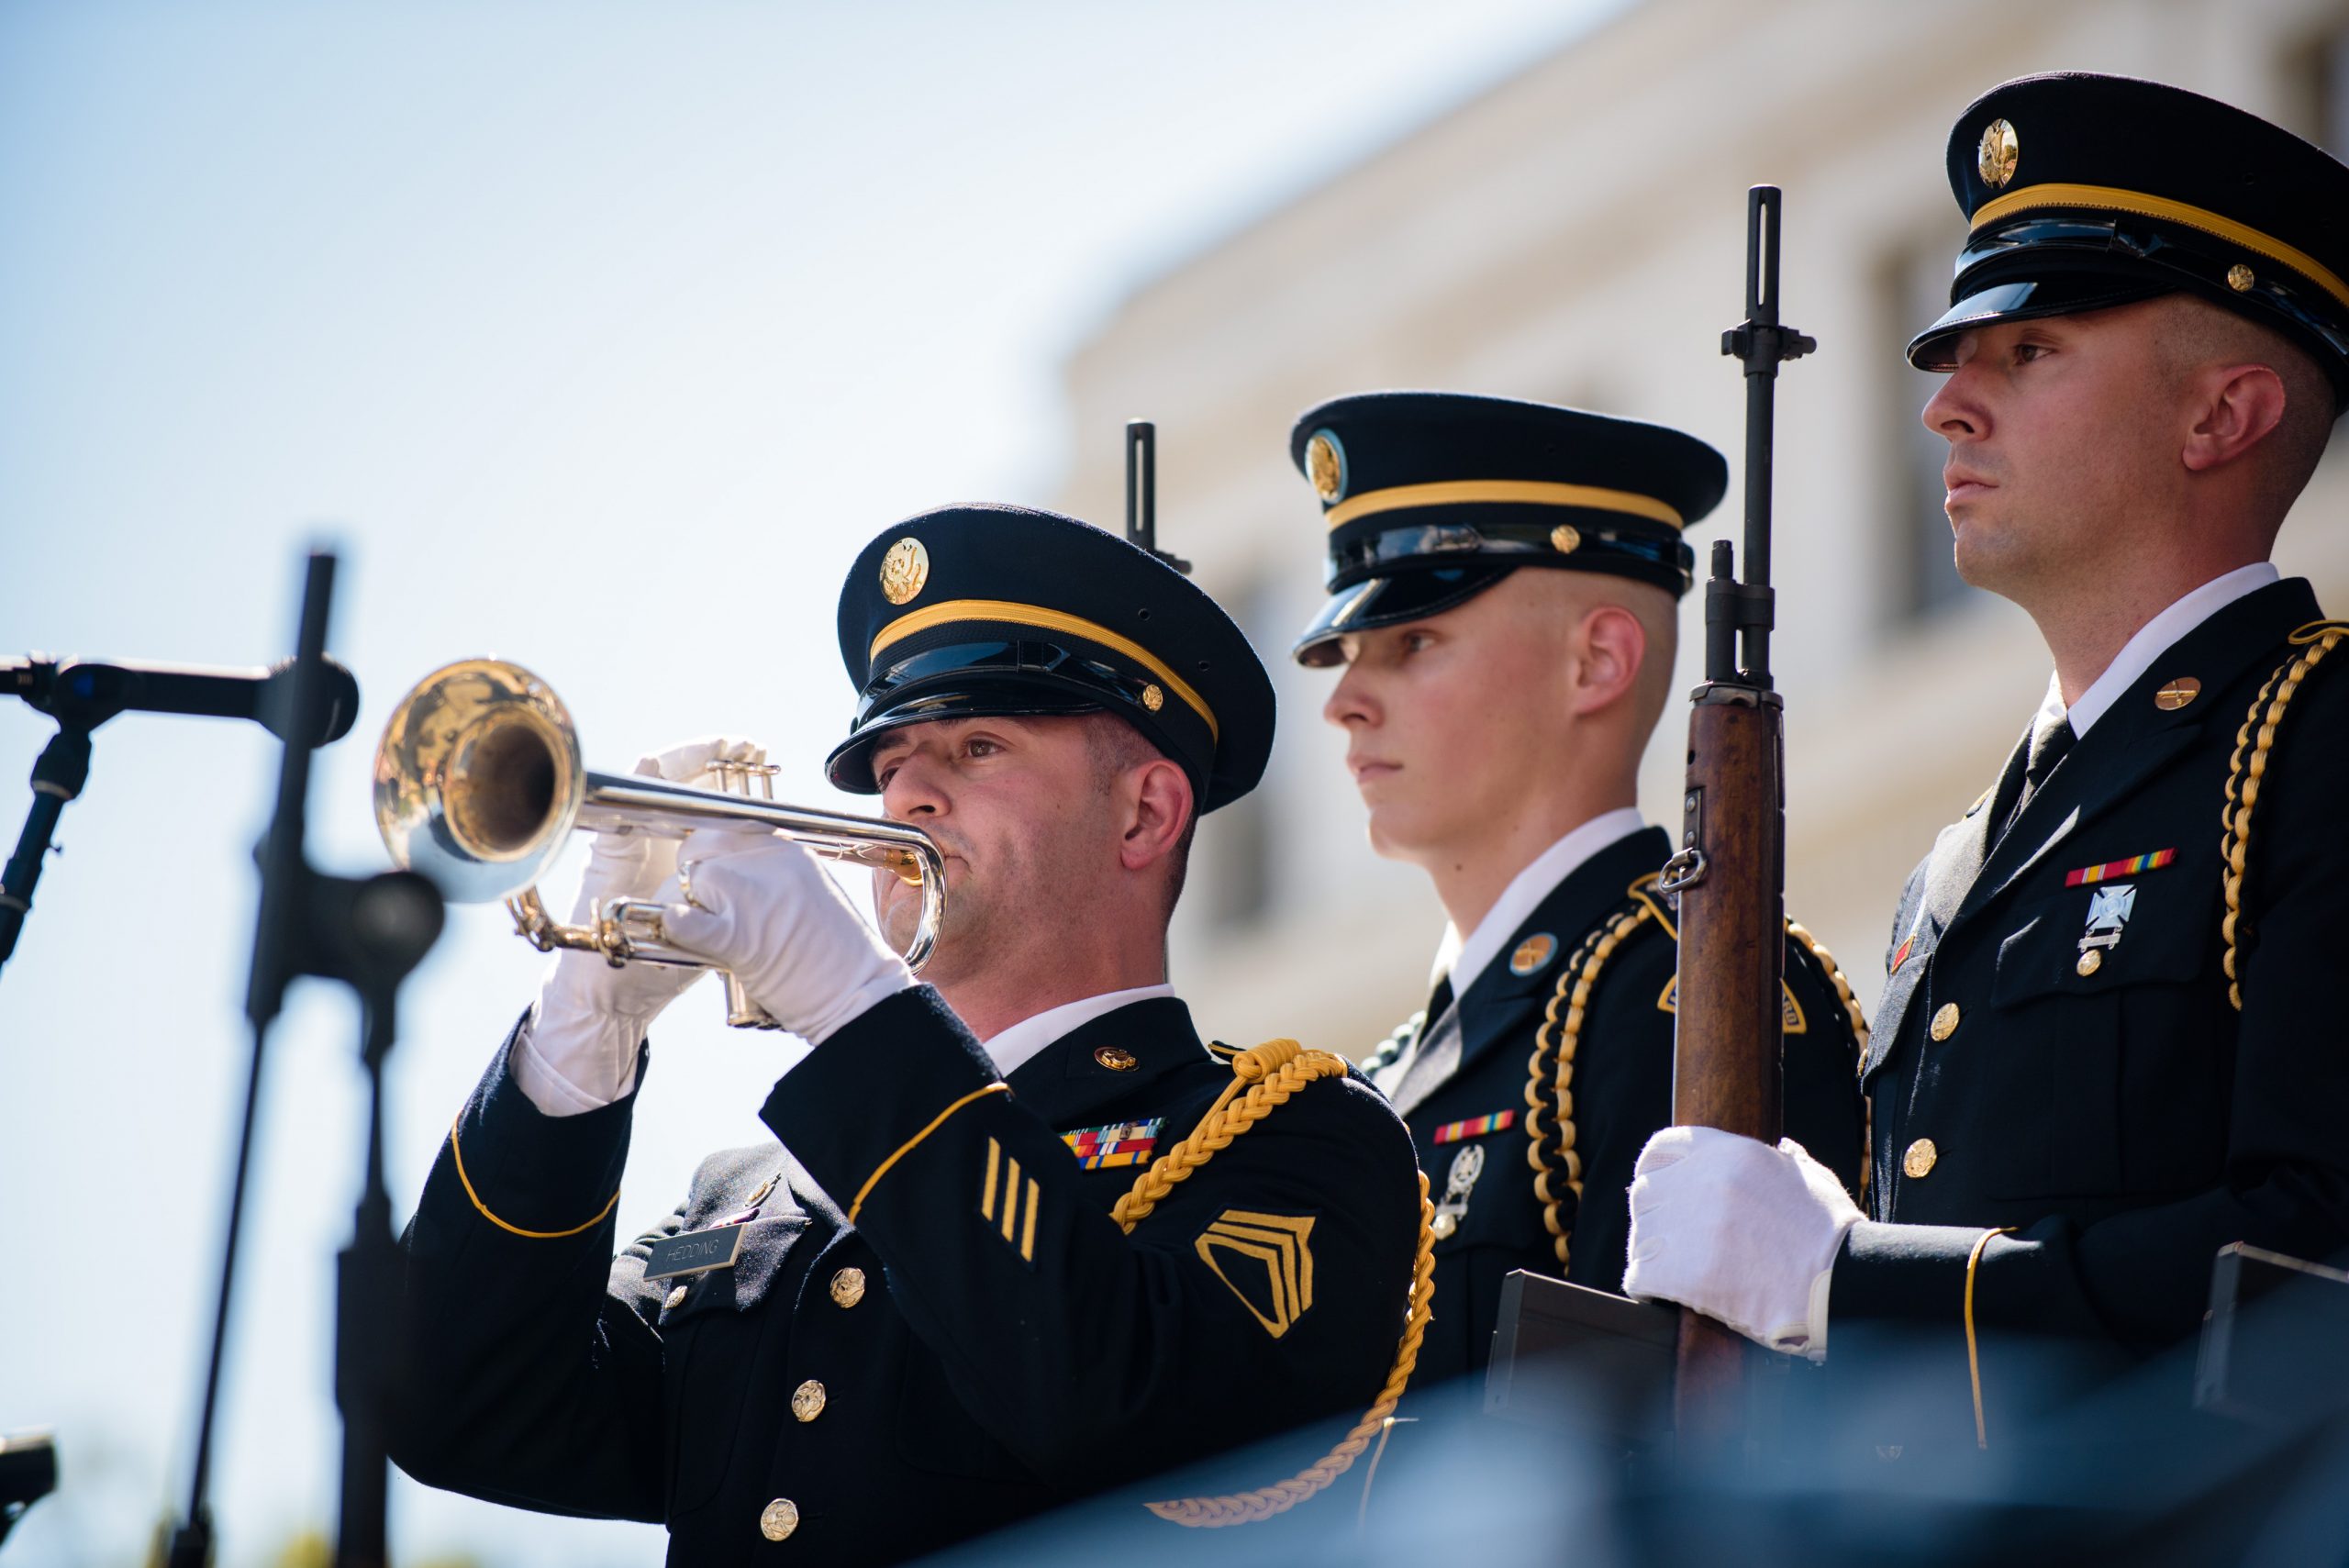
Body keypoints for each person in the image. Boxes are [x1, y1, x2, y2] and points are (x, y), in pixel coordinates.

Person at [385, 504, 1431, 1565]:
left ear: (1144, 814)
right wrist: (581, 1034)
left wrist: (849, 1005)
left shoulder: (1299, 1141)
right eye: (889, 761)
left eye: (977, 748)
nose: (907, 794)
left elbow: (1148, 1413)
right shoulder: (750, 1194)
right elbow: (460, 1412)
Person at [1625, 72, 2349, 1442]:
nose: (1946, 408)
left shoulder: (2314, 741)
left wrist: (1849, 1279)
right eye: (1959, 359)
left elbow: (2311, 1266)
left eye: (2029, 353)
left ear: (2223, 416)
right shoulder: (1963, 860)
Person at [1289, 390, 1867, 1385]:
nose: (1344, 700)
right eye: (1345, 653)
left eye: (1412, 641)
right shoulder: (1391, 1071)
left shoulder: (1676, 996)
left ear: (1596, 659)